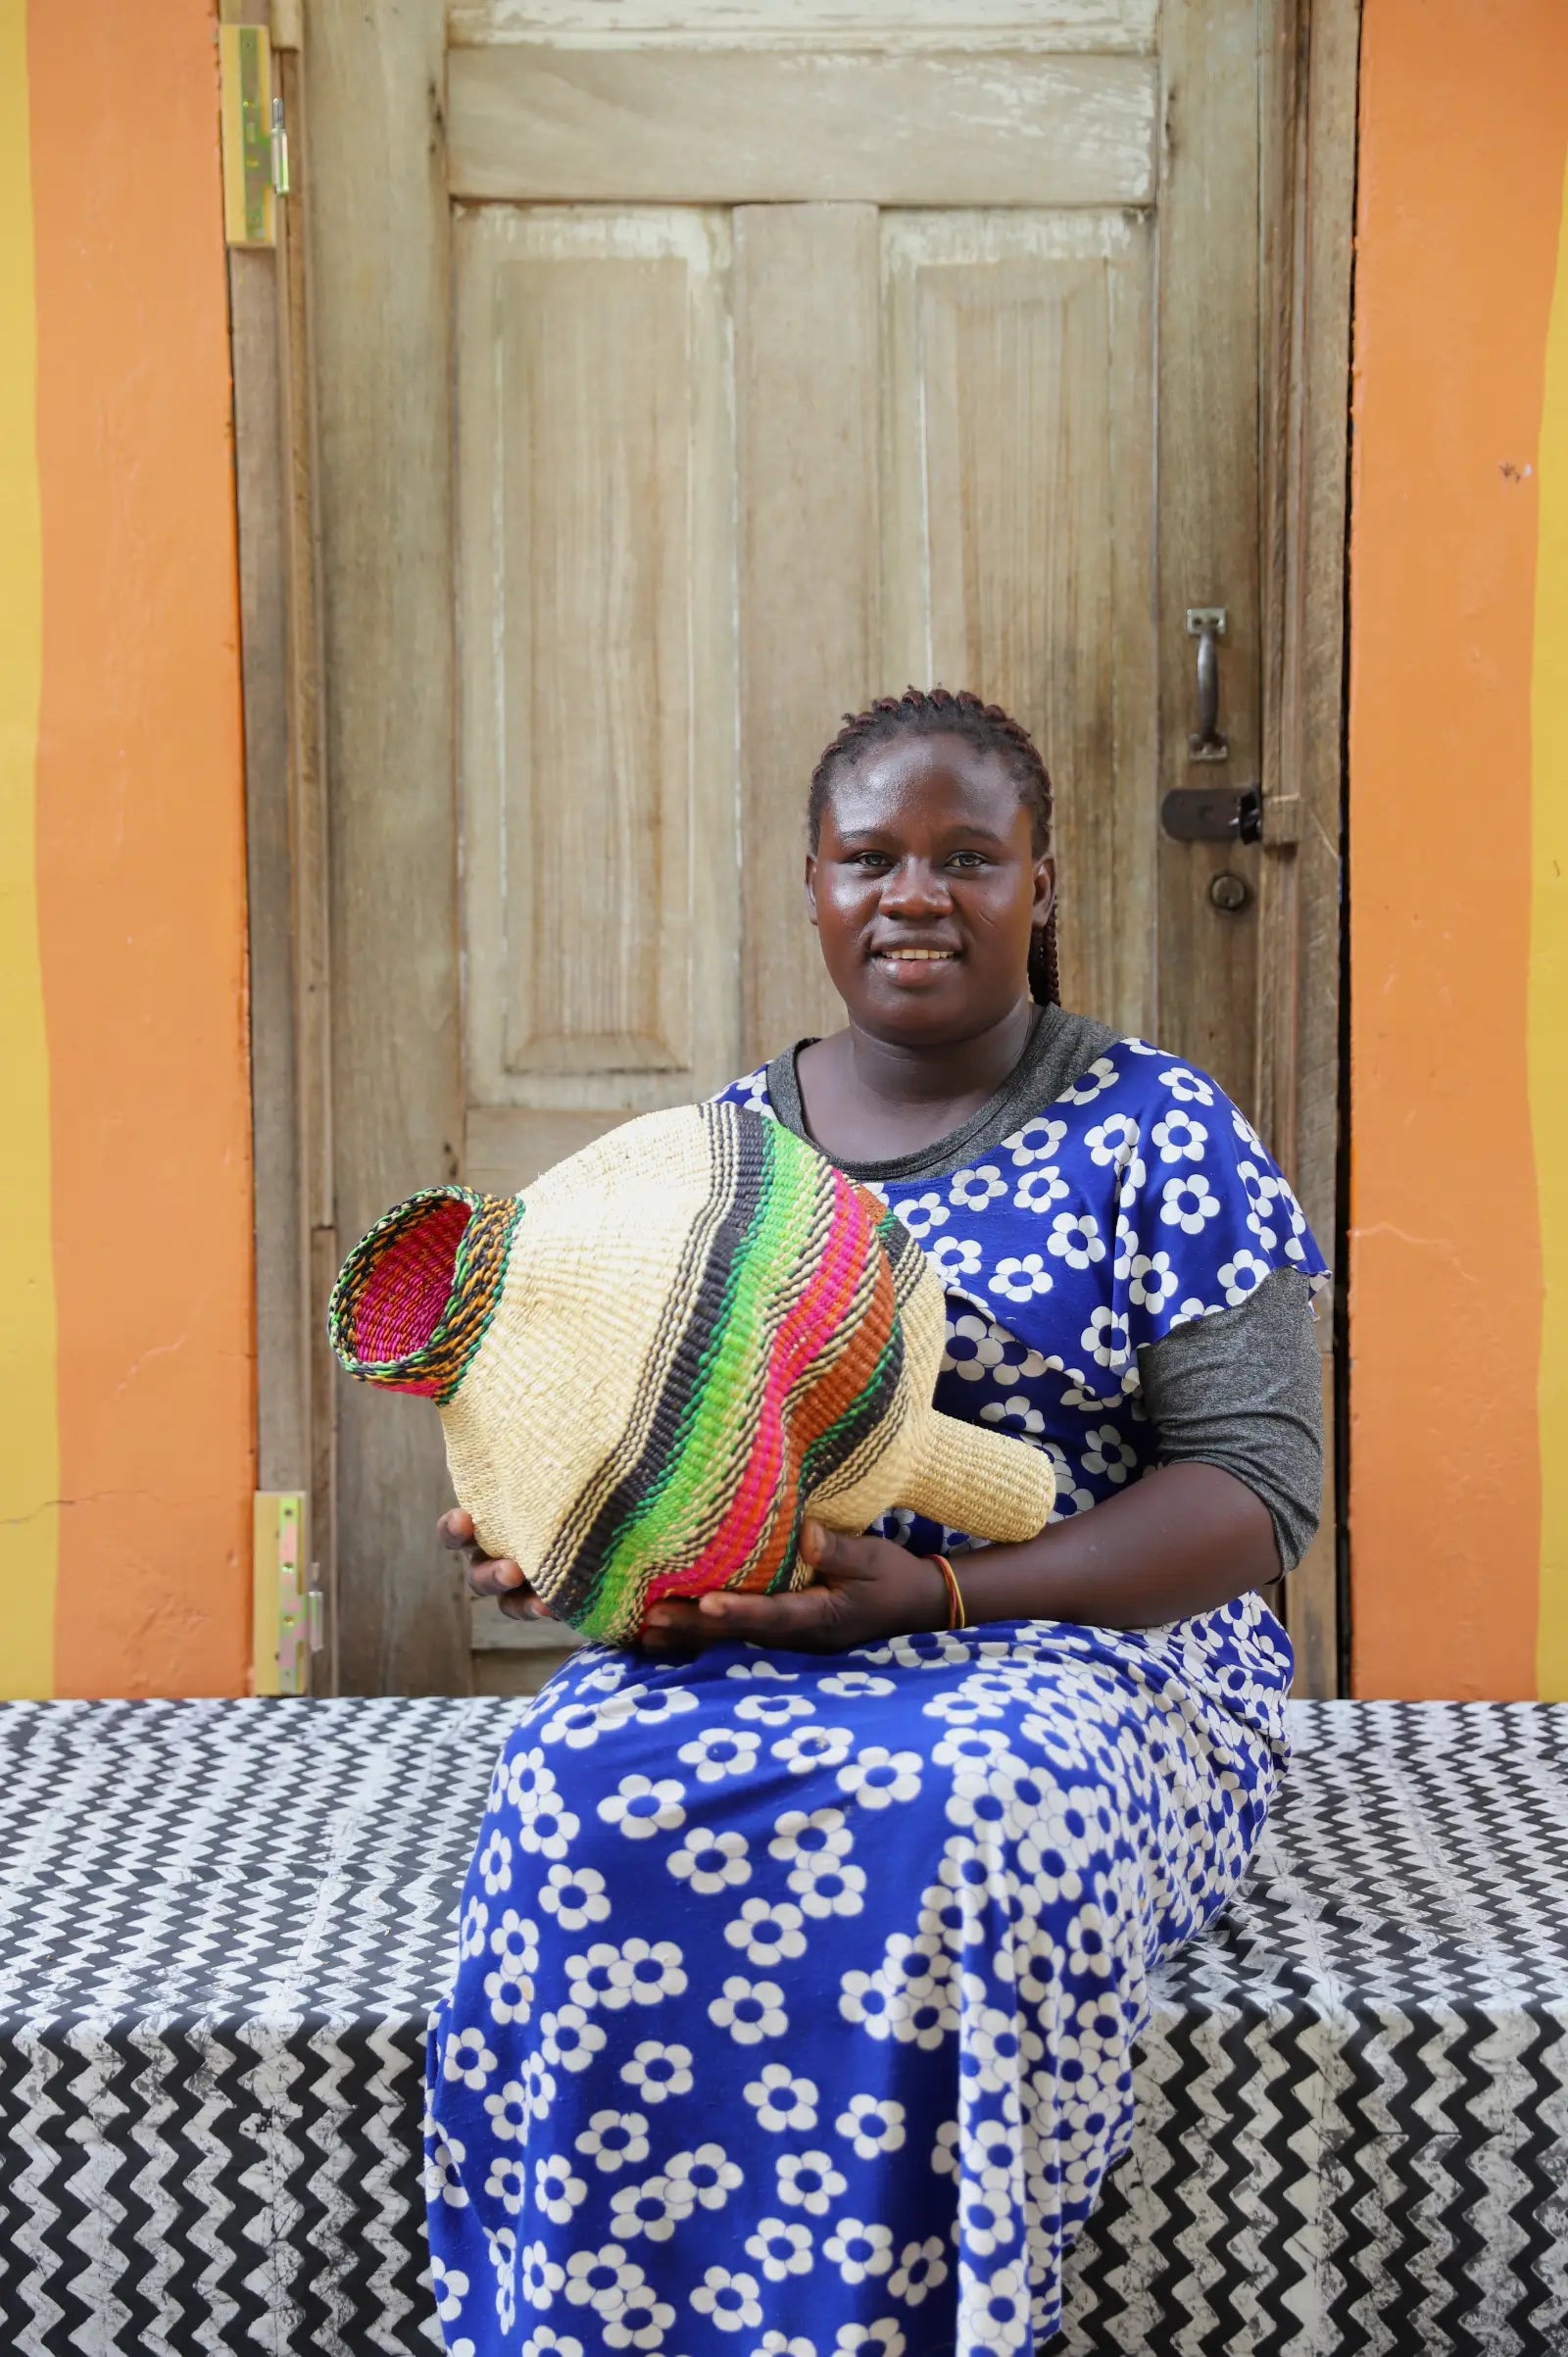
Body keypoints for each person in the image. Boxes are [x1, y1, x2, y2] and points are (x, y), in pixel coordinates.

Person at [425, 688, 1327, 2357]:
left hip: (1091, 1650)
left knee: (970, 1807)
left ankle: (909, 2318)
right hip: (770, 1641)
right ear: (815, 887)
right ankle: (597, 2316)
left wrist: (941, 1595)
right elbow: (619, 1444)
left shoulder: (1160, 1128)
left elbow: (1258, 1493)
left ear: (1041, 884)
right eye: (871, 858)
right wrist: (569, 1540)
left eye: (967, 856)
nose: (916, 892)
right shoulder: (711, 1162)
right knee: (569, 1776)